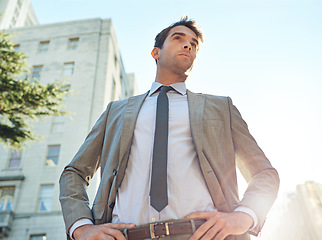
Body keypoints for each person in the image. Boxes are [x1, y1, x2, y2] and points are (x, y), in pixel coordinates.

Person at [59, 16, 279, 240]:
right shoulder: (116, 111)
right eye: (178, 38)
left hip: (202, 234)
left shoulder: (222, 108)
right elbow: (74, 172)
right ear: (156, 52)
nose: (188, 45)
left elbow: (264, 173)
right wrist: (81, 227)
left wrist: (245, 215)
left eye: (194, 44)